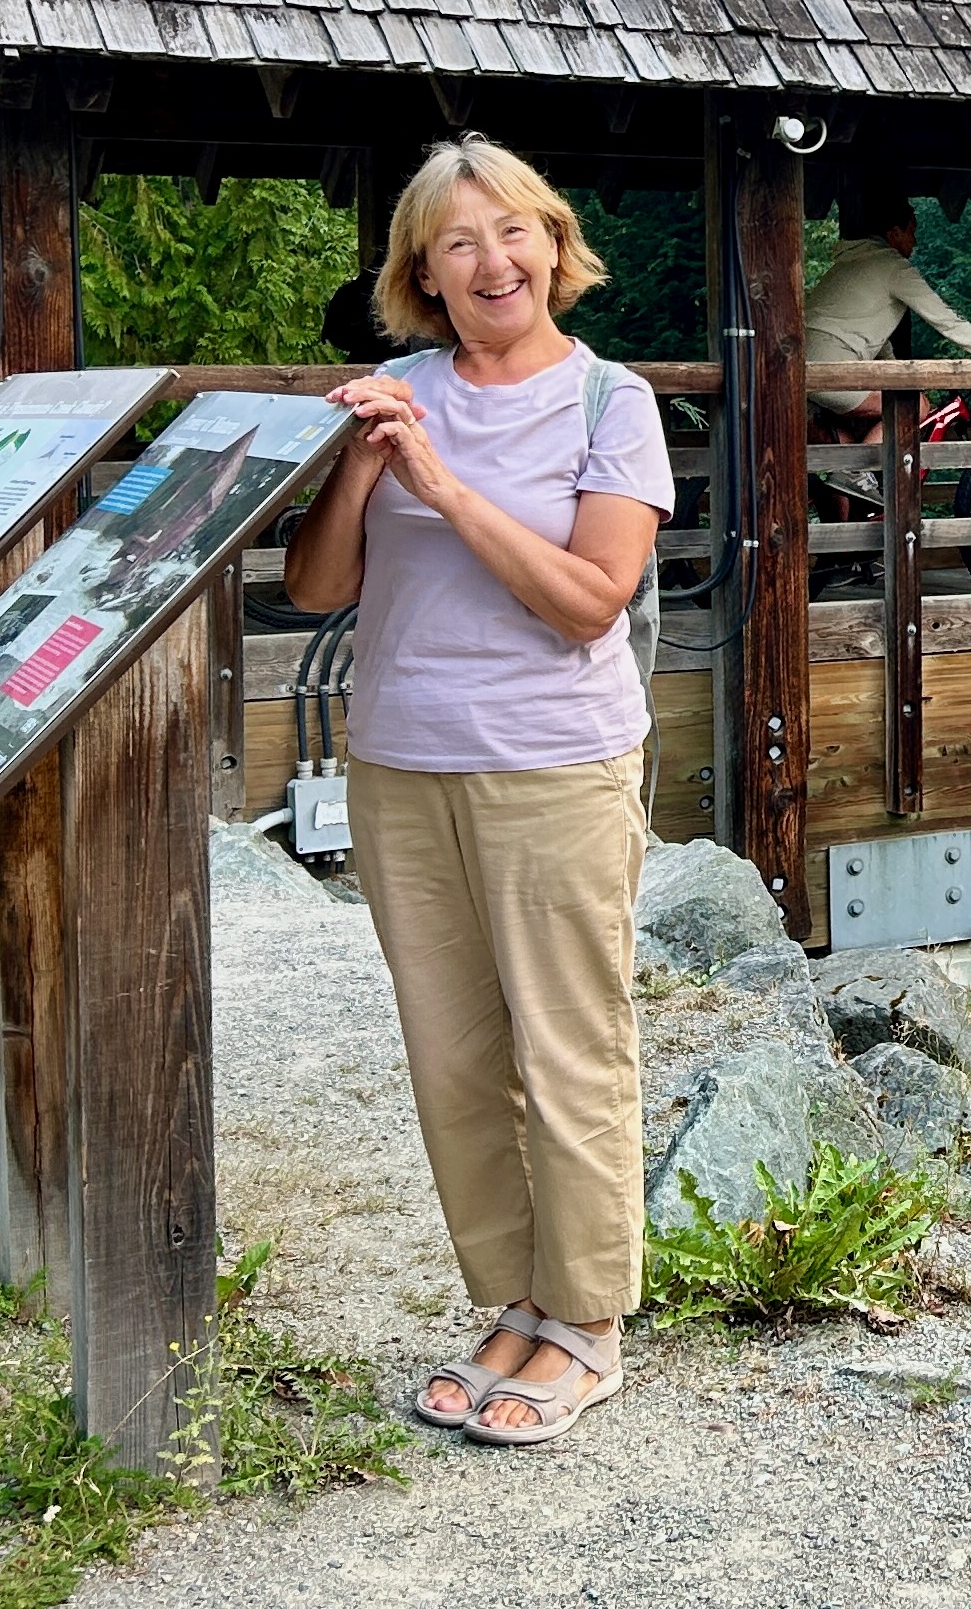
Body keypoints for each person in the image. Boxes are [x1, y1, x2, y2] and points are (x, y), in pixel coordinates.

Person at [280, 134, 674, 1449]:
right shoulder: (392, 388)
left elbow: (587, 603)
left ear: (556, 249)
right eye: (459, 242)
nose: (492, 259)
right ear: (422, 276)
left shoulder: (609, 402)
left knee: (569, 1050)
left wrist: (440, 483)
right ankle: (512, 1302)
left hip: (554, 763)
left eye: (514, 232)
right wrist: (365, 465)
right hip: (402, 758)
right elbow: (318, 589)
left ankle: (590, 1322)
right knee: (452, 1058)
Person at [804, 195, 971, 440]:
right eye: (911, 231)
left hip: (802, 366)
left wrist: (896, 370)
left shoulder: (851, 263)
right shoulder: (892, 266)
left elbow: (873, 338)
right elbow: (944, 317)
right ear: (894, 233)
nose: (915, 240)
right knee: (914, 406)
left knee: (853, 433)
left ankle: (847, 474)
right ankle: (859, 475)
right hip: (833, 369)